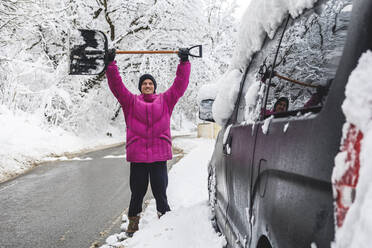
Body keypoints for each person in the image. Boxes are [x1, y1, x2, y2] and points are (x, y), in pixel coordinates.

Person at [104, 48, 190, 236]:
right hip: (138, 158)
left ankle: (165, 222)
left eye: (150, 83)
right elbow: (117, 87)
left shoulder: (166, 101)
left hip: (159, 156)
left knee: (161, 193)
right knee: (137, 194)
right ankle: (133, 225)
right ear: (140, 87)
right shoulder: (131, 102)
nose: (148, 85)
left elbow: (180, 85)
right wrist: (111, 65)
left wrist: (184, 63)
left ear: (155, 86)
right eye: (144, 83)